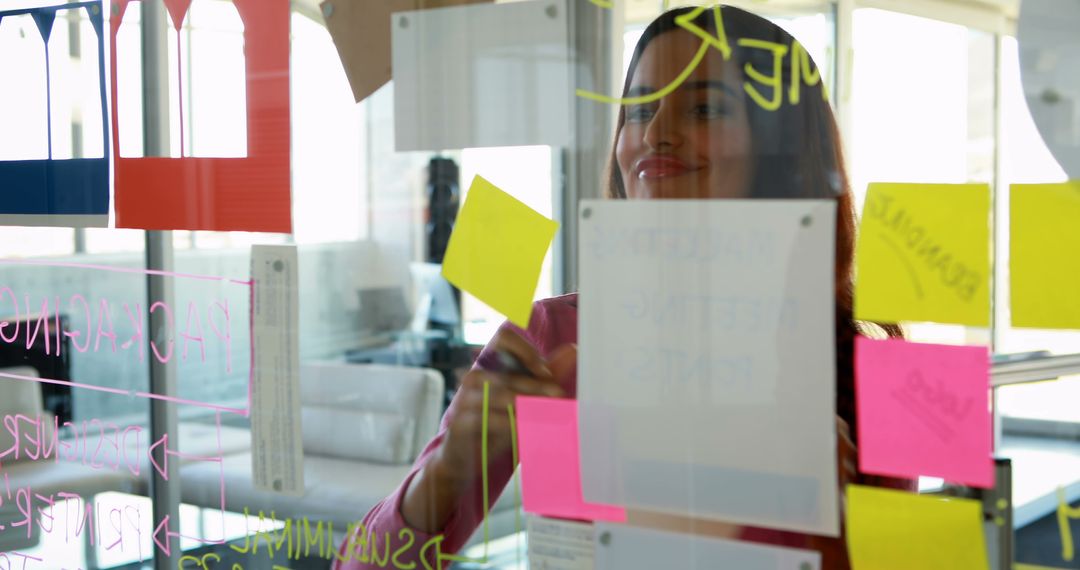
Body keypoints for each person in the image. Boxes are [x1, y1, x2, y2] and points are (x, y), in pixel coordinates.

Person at [335, 5, 908, 569]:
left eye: (705, 108)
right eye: (638, 111)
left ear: (781, 152)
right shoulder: (550, 339)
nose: (656, 134)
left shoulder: (873, 370)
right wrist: (448, 469)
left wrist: (835, 528)